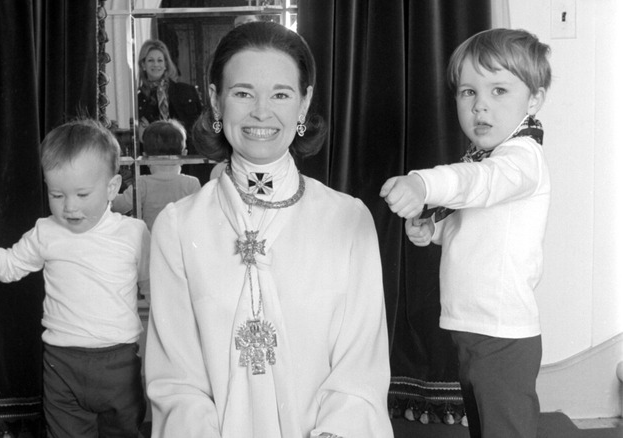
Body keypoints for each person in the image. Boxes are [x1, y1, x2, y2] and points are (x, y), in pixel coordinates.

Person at [145, 21, 393, 438]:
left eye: (280, 94)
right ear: (215, 100)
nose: (262, 111)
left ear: (304, 102)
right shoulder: (177, 226)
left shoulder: (349, 221)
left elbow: (360, 373)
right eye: (243, 93)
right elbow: (177, 382)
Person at [380, 28, 551, 438]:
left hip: (502, 333)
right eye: (468, 93)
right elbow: (472, 217)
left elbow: (476, 182)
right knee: (482, 425)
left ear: (534, 100)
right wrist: (434, 227)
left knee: (506, 428)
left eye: (498, 91)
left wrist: (423, 184)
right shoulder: (489, 157)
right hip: (471, 325)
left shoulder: (521, 159)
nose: (480, 107)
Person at [0, 118, 150, 438]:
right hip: (61, 363)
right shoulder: (46, 231)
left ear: (112, 187)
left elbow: (153, 289)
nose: (69, 207)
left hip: (119, 363)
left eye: (82, 194)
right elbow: (12, 265)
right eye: (57, 194)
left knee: (125, 432)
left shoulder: (133, 233)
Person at [112, 119, 201, 231]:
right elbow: (200, 216)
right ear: (184, 155)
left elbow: (118, 206)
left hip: (152, 243)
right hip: (182, 243)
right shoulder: (191, 183)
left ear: (145, 157)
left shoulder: (142, 184)